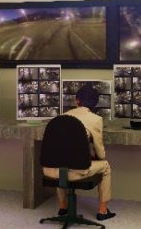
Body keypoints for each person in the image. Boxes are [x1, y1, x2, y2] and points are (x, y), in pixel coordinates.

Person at [43, 84, 114, 221]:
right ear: (95, 104)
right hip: (76, 172)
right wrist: (91, 156)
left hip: (51, 171)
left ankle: (63, 207)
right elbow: (101, 154)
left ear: (77, 100)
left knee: (61, 159)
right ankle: (103, 211)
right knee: (105, 166)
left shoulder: (60, 117)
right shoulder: (95, 119)